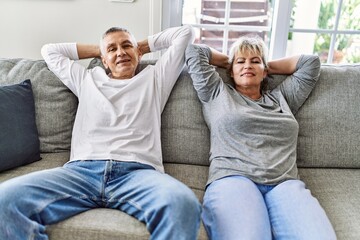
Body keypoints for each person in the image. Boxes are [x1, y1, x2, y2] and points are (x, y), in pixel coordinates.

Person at [0, 25, 202, 240]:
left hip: (138, 174)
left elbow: (185, 33)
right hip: (80, 173)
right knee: (5, 200)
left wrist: (138, 46)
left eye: (126, 46)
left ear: (139, 53)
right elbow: (49, 51)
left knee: (184, 203)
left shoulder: (155, 78)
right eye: (112, 50)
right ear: (104, 60)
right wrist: (102, 49)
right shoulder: (86, 79)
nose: (121, 52)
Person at [185, 35, 337, 240]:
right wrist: (231, 62)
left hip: (284, 184)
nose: (248, 65)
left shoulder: (283, 98)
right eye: (241, 61)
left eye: (255, 61)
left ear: (265, 71)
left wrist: (264, 65)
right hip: (233, 178)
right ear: (230, 70)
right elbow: (195, 52)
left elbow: (310, 63)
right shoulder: (216, 92)